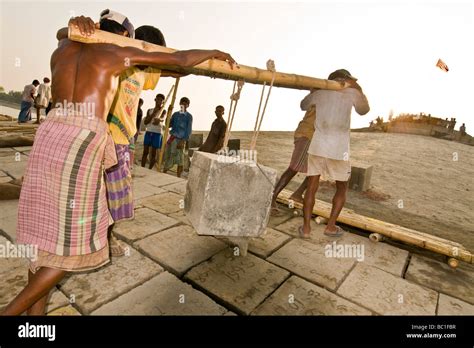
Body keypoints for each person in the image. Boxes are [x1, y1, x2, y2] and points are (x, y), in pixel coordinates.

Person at [1, 11, 235, 316]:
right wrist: (214, 52)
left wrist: (73, 24)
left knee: (44, 233)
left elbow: (63, 32)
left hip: (49, 134)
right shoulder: (116, 53)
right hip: (81, 140)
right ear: (123, 36)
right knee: (80, 243)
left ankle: (35, 321)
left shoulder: (62, 48)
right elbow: (179, 59)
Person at [300, 69, 369, 239]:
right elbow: (364, 110)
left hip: (318, 145)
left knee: (312, 186)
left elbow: (302, 105)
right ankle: (330, 227)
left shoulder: (321, 92)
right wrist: (358, 87)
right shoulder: (352, 92)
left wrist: (314, 92)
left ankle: (307, 228)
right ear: (345, 79)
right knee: (342, 187)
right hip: (339, 149)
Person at [270, 106, 316, 215]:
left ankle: (298, 193)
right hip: (307, 135)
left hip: (314, 137)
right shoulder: (322, 96)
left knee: (315, 171)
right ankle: (271, 197)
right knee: (294, 167)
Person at [163, 97, 192, 177]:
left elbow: (188, 131)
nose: (183, 104)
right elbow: (168, 125)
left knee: (180, 160)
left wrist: (183, 141)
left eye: (185, 103)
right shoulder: (175, 114)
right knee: (168, 156)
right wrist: (169, 113)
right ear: (180, 103)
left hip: (180, 140)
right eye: (182, 102)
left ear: (188, 105)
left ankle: (178, 177)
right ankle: (163, 173)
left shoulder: (189, 116)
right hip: (172, 138)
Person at [141, 93, 166, 169]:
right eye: (158, 99)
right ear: (155, 100)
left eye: (161, 100)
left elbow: (161, 119)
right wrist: (154, 112)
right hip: (149, 131)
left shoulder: (163, 111)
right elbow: (146, 122)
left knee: (153, 154)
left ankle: (149, 169)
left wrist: (159, 119)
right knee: (145, 151)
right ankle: (142, 167)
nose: (159, 101)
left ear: (163, 102)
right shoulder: (150, 110)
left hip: (157, 133)